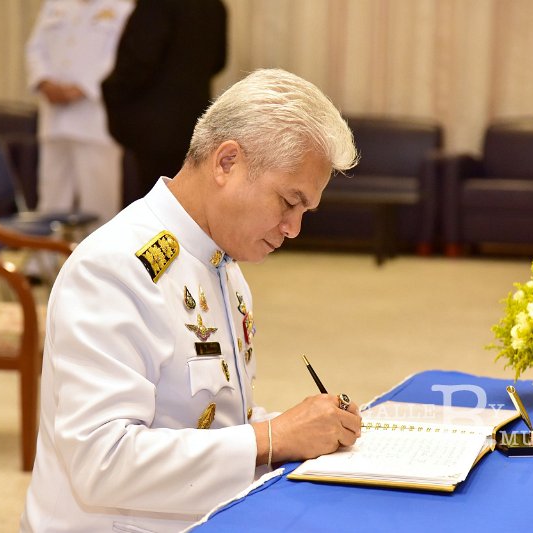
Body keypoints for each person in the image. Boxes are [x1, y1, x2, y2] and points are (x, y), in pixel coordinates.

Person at [20, 68, 361, 532]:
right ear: (226, 163)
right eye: (288, 201)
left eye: (305, 211)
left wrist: (304, 427)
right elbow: (102, 462)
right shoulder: (115, 267)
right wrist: (273, 437)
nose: (294, 229)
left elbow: (213, 424)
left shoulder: (222, 263)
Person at [101, 0, 227, 204]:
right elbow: (219, 61)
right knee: (186, 202)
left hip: (151, 126)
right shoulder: (214, 5)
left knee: (150, 203)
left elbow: (137, 61)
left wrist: (110, 91)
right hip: (195, 120)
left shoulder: (156, 4)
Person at [26, 0, 132, 225]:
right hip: (54, 121)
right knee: (51, 204)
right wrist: (44, 81)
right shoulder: (55, 5)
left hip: (94, 122)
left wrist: (82, 88)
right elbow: (35, 48)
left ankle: (100, 250)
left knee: (99, 207)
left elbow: (119, 59)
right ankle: (50, 248)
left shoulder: (121, 9)